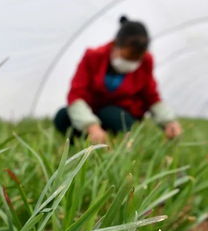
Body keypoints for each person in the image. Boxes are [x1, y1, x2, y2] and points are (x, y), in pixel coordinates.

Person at [54, 16, 182, 144]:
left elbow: (151, 96)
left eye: (136, 59)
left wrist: (169, 122)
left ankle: (122, 142)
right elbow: (76, 94)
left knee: (111, 113)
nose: (131, 63)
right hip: (91, 112)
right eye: (127, 57)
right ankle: (79, 143)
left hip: (120, 115)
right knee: (63, 116)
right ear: (115, 45)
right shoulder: (93, 57)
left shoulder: (146, 62)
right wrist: (91, 126)